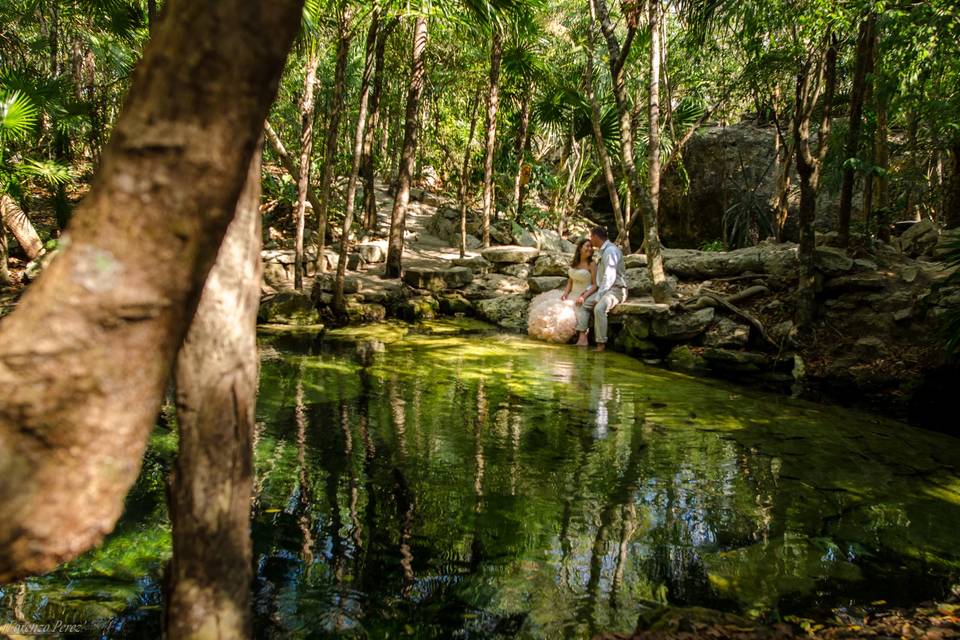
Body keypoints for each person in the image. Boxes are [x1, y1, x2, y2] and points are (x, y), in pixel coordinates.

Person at [526, 239, 596, 343]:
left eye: (591, 247)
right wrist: (566, 293)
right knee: (551, 308)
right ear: (580, 248)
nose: (589, 249)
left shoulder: (592, 264)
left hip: (583, 295)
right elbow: (570, 281)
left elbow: (595, 285)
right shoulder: (575, 262)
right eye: (587, 246)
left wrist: (583, 297)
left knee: (565, 315)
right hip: (571, 294)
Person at [576, 226, 626, 352]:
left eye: (591, 237)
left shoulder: (611, 251)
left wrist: (599, 297)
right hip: (604, 289)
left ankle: (601, 344)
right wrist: (586, 292)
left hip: (616, 290)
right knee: (584, 303)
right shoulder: (603, 251)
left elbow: (609, 277)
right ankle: (582, 338)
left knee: (599, 308)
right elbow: (600, 277)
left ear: (596, 237)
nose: (590, 240)